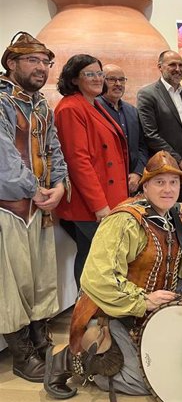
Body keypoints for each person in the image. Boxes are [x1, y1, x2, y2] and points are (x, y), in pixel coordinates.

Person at [43, 151, 182, 399]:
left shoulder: (180, 215)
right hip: (113, 311)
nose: (168, 189)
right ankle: (70, 358)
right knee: (146, 383)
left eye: (173, 182)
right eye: (159, 182)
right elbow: (99, 278)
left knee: (179, 367)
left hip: (154, 308)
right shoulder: (124, 221)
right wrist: (143, 300)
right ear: (144, 187)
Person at [0, 32, 68, 383]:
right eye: (33, 61)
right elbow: (4, 159)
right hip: (8, 206)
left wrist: (58, 185)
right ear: (11, 63)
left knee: (42, 278)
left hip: (40, 205)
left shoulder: (41, 104)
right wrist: (36, 189)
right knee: (13, 283)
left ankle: (41, 340)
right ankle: (21, 354)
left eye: (45, 62)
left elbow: (54, 147)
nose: (42, 68)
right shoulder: (1, 101)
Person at [54, 54, 129, 289]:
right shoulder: (70, 108)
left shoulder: (93, 104)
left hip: (108, 198)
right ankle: (92, 314)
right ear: (74, 79)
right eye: (90, 74)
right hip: (90, 204)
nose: (97, 79)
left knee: (91, 257)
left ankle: (92, 314)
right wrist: (100, 206)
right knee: (101, 261)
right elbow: (78, 161)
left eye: (99, 74)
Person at [137, 50, 182, 222]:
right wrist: (179, 161)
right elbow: (151, 134)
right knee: (170, 220)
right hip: (165, 169)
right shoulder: (148, 94)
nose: (177, 69)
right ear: (160, 67)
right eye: (172, 65)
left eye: (180, 65)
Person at [96, 64, 148, 195]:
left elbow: (142, 146)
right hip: (106, 184)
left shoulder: (132, 111)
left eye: (122, 79)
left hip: (133, 184)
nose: (118, 84)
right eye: (112, 79)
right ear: (102, 81)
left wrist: (137, 173)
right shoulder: (94, 109)